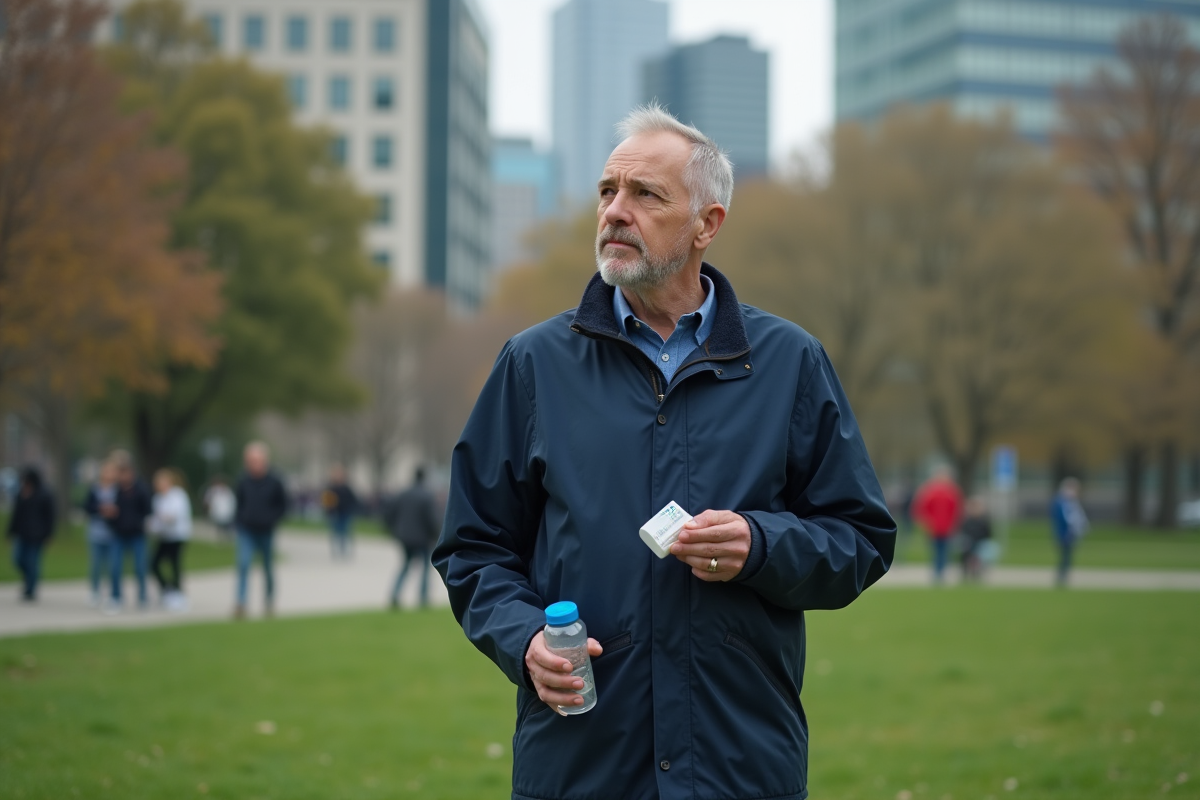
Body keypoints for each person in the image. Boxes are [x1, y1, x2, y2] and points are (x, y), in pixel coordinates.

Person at [433, 105, 896, 800]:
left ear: (707, 224)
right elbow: (472, 547)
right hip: (580, 767)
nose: (615, 211)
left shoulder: (790, 362)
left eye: (645, 194)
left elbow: (860, 537)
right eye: (607, 191)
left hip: (740, 768)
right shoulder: (533, 364)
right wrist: (524, 637)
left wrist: (761, 546)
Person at [233, 441, 288, 618]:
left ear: (264, 461)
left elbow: (284, 505)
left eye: (257, 460)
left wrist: (272, 519)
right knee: (243, 564)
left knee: (267, 567)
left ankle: (269, 601)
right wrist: (239, 520)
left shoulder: (274, 481)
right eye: (250, 460)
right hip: (246, 529)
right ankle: (241, 602)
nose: (253, 464)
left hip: (266, 530)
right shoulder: (243, 480)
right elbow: (238, 503)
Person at [382, 466, 441, 609]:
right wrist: (436, 535)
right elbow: (432, 519)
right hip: (423, 538)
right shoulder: (427, 495)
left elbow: (390, 513)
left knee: (405, 566)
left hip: (405, 537)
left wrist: (394, 530)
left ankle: (395, 594)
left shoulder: (403, 493)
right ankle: (423, 597)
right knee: (425, 568)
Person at [105, 452, 154, 611]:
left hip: (137, 534)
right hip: (118, 534)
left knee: (140, 568)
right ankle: (116, 597)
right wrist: (110, 516)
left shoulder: (141, 489)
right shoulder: (115, 491)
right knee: (115, 567)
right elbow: (107, 512)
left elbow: (148, 510)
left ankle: (142, 598)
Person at [7, 466, 56, 602]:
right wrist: (10, 531)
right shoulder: (21, 493)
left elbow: (50, 516)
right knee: (18, 559)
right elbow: (16, 515)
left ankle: (30, 590)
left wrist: (49, 534)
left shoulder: (45, 494)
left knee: (32, 562)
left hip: (37, 535)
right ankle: (28, 579)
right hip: (22, 533)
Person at [149, 468, 193, 611]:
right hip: (164, 536)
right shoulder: (157, 498)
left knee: (175, 564)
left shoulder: (178, 495)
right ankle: (168, 589)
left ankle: (178, 593)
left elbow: (175, 516)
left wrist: (164, 518)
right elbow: (157, 520)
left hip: (178, 536)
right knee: (154, 564)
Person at [912, 467, 964, 584]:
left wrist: (954, 524)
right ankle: (938, 571)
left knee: (943, 550)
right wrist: (926, 523)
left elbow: (956, 510)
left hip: (945, 527)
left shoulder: (949, 491)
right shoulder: (933, 491)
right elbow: (922, 509)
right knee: (938, 550)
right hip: (935, 527)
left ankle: (939, 571)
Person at [83, 458, 119, 607]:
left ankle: (114, 595)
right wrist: (100, 509)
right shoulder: (95, 489)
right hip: (96, 533)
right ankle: (95, 592)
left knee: (113, 566)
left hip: (113, 534)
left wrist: (114, 512)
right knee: (96, 565)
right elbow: (87, 507)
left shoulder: (118, 490)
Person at [1050, 477, 1088, 588]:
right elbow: (1065, 518)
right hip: (1064, 533)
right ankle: (1062, 577)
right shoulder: (1062, 502)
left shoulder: (1070, 502)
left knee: (1067, 556)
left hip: (1069, 533)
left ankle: (1063, 576)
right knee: (1065, 556)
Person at [321, 464, 358, 560]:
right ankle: (336, 550)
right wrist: (328, 511)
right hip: (335, 512)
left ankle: (344, 550)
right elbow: (327, 501)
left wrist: (351, 509)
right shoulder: (331, 487)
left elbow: (353, 500)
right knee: (335, 531)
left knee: (345, 531)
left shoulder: (346, 488)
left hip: (345, 513)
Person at [958, 495, 992, 582]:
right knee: (965, 554)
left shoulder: (983, 521)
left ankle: (976, 573)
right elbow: (963, 532)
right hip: (968, 543)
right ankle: (965, 572)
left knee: (979, 555)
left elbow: (988, 534)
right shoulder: (967, 521)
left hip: (980, 543)